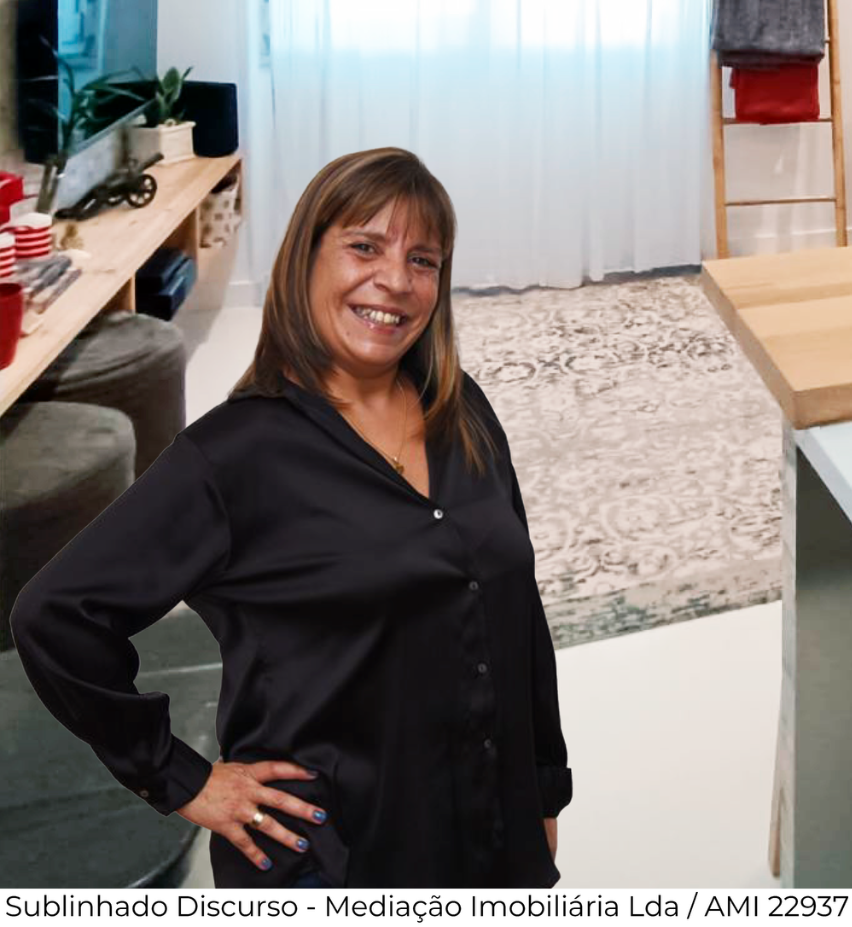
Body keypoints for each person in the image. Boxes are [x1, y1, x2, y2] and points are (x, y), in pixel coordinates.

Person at [12, 147, 570, 889]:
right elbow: (56, 617)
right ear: (306, 257)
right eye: (364, 247)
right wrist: (181, 778)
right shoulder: (234, 457)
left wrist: (543, 787)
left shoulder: (459, 407)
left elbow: (516, 611)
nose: (396, 280)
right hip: (337, 860)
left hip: (489, 838)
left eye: (423, 260)